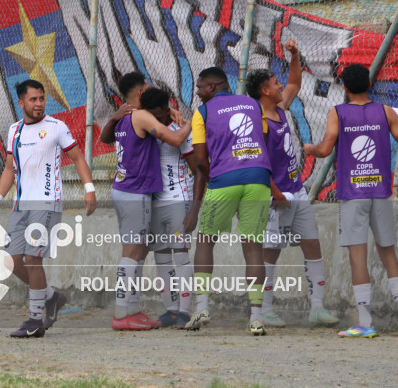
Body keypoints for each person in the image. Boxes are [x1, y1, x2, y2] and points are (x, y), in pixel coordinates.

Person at [304, 64, 398, 338]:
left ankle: (365, 322)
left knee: (358, 258)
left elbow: (324, 149)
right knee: (388, 253)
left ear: (344, 87)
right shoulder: (385, 111)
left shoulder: (338, 112)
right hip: (380, 193)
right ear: (370, 84)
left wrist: (309, 148)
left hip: (352, 195)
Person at [0, 79, 97, 338]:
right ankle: (51, 297)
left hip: (47, 203)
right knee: (11, 261)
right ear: (21, 102)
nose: (38, 104)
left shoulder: (56, 127)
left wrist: (89, 188)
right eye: (33, 99)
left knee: (32, 259)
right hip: (19, 205)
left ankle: (35, 321)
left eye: (41, 98)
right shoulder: (14, 130)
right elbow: (9, 169)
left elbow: (78, 157)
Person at [245, 41, 340, 329]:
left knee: (312, 244)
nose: (280, 86)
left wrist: (295, 55)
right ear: (265, 91)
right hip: (276, 196)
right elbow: (257, 165)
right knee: (269, 252)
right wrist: (276, 195)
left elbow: (296, 82)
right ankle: (265, 310)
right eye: (275, 83)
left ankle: (317, 308)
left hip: (296, 189)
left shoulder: (281, 107)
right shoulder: (258, 121)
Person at [182, 67, 272, 335]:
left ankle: (202, 307)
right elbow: (263, 140)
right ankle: (257, 317)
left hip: (224, 180)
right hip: (259, 178)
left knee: (206, 241)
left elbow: (199, 160)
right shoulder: (255, 105)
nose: (197, 92)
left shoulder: (204, 112)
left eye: (199, 87)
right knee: (253, 247)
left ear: (213, 86)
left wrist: (217, 181)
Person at [100, 73, 192, 330]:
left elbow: (105, 139)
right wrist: (192, 122)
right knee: (132, 253)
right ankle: (121, 315)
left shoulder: (122, 118)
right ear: (140, 93)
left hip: (123, 190)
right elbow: (175, 139)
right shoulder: (139, 116)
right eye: (146, 88)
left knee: (139, 253)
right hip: (135, 193)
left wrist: (170, 110)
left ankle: (133, 309)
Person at [144, 90, 198, 329]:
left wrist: (194, 209)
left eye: (159, 114)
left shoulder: (181, 130)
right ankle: (171, 310)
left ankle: (185, 312)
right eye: (151, 115)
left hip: (178, 201)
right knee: (161, 257)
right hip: (155, 203)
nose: (155, 118)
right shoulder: (145, 127)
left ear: (167, 109)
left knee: (181, 255)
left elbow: (199, 171)